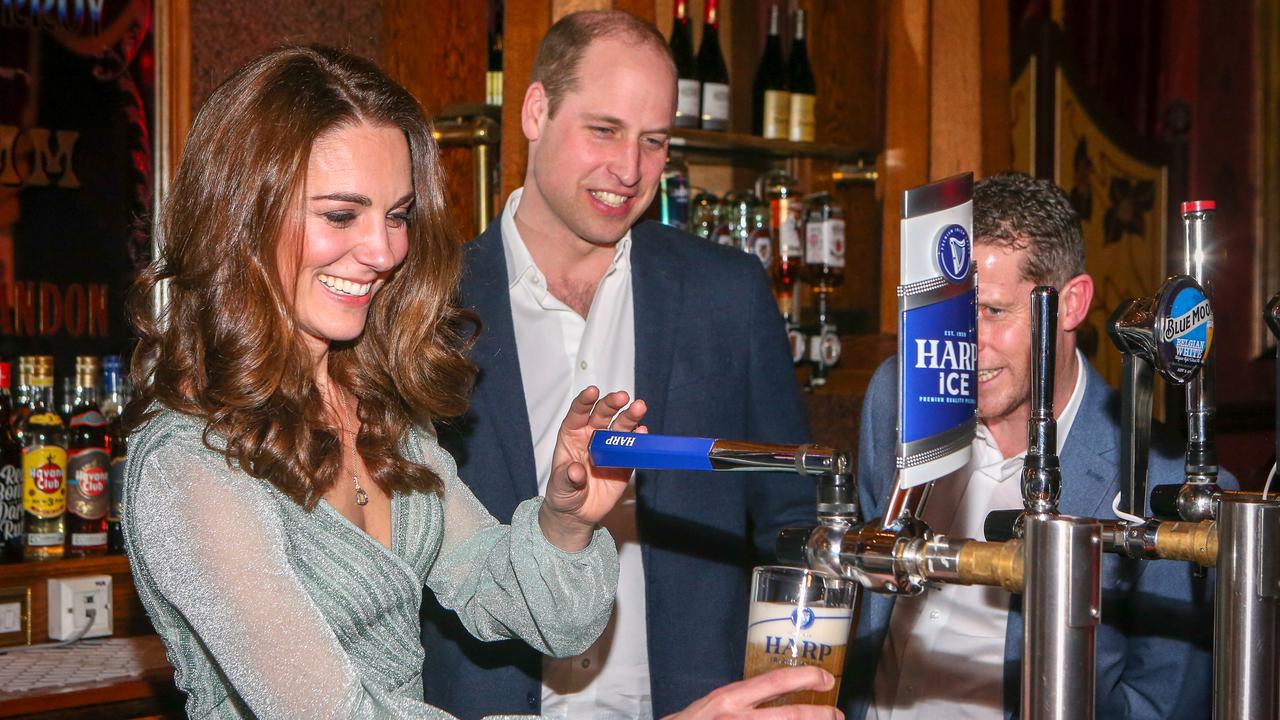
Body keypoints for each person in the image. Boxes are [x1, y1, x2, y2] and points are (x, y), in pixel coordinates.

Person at [122, 44, 839, 720]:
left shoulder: (379, 415)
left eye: (398, 216)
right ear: (242, 217)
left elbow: (523, 605)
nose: (382, 251)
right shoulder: (186, 466)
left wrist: (565, 518)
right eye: (342, 214)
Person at [421, 10, 815, 720]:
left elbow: (791, 521)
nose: (629, 170)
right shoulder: (426, 307)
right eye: (603, 131)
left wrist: (784, 680)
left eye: (654, 141)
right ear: (537, 110)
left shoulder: (725, 294)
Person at [847, 172, 1230, 719]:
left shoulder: (1162, 482)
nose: (966, 341)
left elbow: (1161, 707)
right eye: (953, 310)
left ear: (1072, 305)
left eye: (994, 312)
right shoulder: (896, 394)